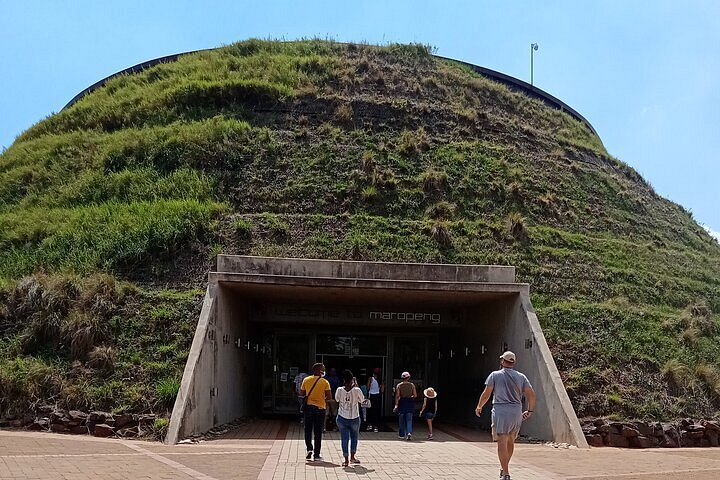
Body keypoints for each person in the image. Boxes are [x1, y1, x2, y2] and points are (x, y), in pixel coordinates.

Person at [475, 351, 536, 480]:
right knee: (511, 441)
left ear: (502, 361)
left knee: (502, 442)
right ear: (513, 362)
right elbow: (531, 395)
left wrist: (479, 406)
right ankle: (504, 467)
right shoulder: (521, 377)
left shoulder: (495, 375)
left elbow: (486, 393)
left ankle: (506, 473)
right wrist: (530, 411)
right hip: (516, 412)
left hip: (501, 411)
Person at [301, 363, 332, 462]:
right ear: (319, 371)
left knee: (307, 430)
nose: (324, 371)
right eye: (323, 369)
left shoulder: (306, 380)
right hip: (320, 408)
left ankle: (309, 448)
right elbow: (330, 396)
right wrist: (322, 398)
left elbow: (302, 393)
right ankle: (317, 454)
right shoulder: (325, 382)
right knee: (318, 432)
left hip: (309, 408)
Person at [335, 369, 364, 467]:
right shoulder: (357, 390)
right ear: (353, 380)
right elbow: (362, 400)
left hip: (342, 417)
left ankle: (346, 460)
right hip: (354, 417)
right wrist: (356, 385)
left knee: (344, 438)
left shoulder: (339, 389)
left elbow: (337, 399)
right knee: (354, 437)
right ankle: (352, 457)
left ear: (343, 380)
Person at [393, 371, 417, 441]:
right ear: (409, 377)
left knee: (401, 420)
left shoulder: (399, 385)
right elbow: (415, 395)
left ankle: (401, 434)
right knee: (409, 419)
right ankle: (409, 432)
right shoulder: (412, 385)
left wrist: (396, 405)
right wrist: (411, 396)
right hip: (409, 402)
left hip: (402, 402)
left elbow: (397, 396)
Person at [366, 367, 384, 432]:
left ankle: (369, 425)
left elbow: (367, 388)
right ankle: (376, 426)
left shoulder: (371, 379)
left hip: (371, 396)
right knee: (376, 411)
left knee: (370, 411)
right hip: (378, 396)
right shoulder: (381, 380)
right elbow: (382, 390)